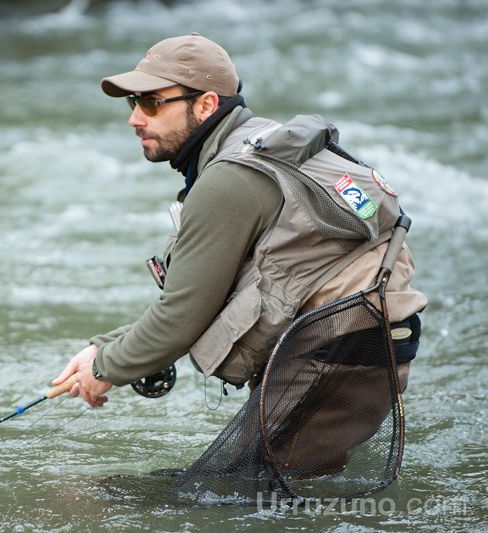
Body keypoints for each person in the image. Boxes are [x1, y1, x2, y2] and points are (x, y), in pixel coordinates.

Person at [51, 33, 426, 414]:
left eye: (151, 103)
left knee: (233, 477)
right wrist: (104, 347)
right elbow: (197, 297)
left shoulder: (227, 180)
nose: (134, 118)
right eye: (134, 102)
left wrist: (104, 368)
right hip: (359, 342)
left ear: (206, 105)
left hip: (339, 351)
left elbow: (182, 317)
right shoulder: (253, 141)